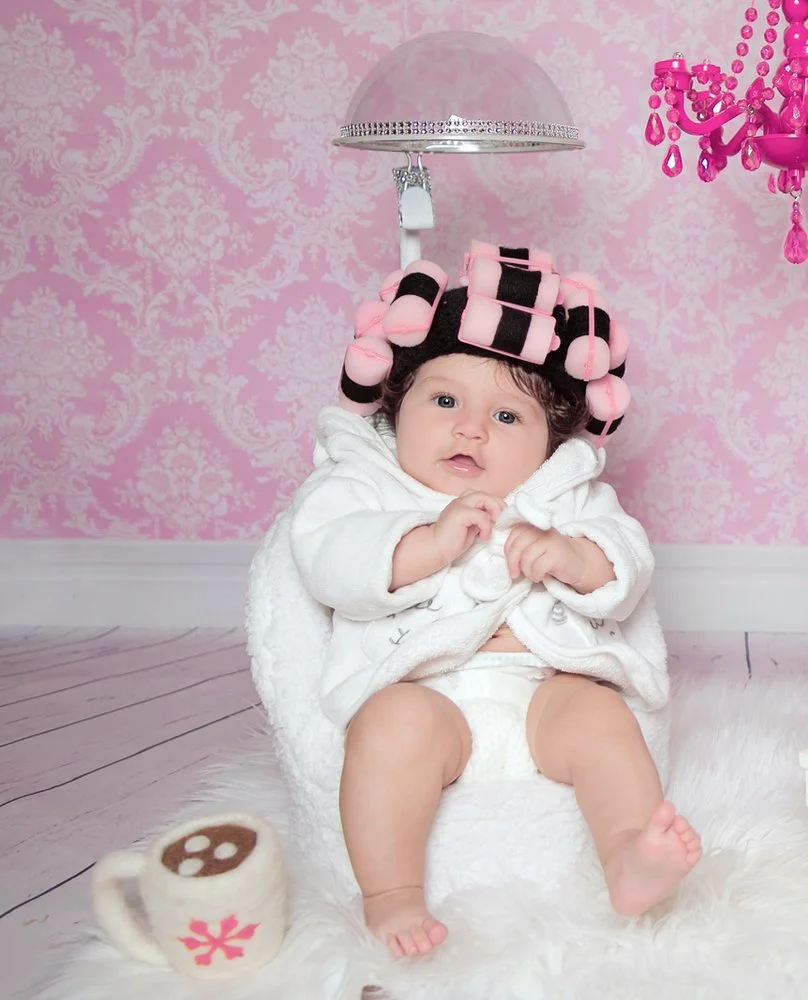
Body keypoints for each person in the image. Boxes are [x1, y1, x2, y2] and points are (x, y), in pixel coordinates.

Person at [287, 244, 698, 958]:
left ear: (547, 445)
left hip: (542, 685)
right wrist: (426, 542)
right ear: (396, 406)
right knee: (387, 733)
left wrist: (575, 556)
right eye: (444, 401)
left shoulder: (564, 491)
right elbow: (328, 556)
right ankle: (390, 896)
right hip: (423, 687)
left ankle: (630, 854)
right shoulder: (364, 481)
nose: (471, 428)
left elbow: (628, 559)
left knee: (602, 720)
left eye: (508, 418)